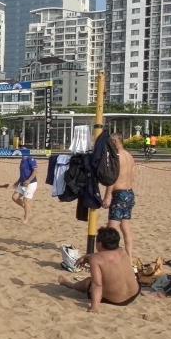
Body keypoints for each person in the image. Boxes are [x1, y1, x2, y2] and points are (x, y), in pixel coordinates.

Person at [58, 227, 140, 312]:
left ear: (100, 243)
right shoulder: (122, 251)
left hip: (116, 300)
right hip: (134, 293)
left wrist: (94, 307)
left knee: (88, 282)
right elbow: (106, 256)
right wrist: (87, 256)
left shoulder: (96, 259)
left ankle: (70, 285)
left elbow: (97, 285)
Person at [102, 132, 136, 261]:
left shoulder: (116, 157)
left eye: (110, 143)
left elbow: (112, 178)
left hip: (119, 194)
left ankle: (111, 258)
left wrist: (108, 196)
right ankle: (129, 257)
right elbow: (133, 175)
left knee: (112, 228)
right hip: (129, 193)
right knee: (125, 226)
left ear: (116, 142)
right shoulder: (129, 156)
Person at [12, 153, 38, 224]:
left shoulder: (31, 159)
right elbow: (22, 174)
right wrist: (17, 182)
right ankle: (27, 209)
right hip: (23, 183)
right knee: (14, 197)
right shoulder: (22, 161)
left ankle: (26, 218)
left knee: (25, 200)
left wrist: (29, 180)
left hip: (31, 183)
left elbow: (35, 171)